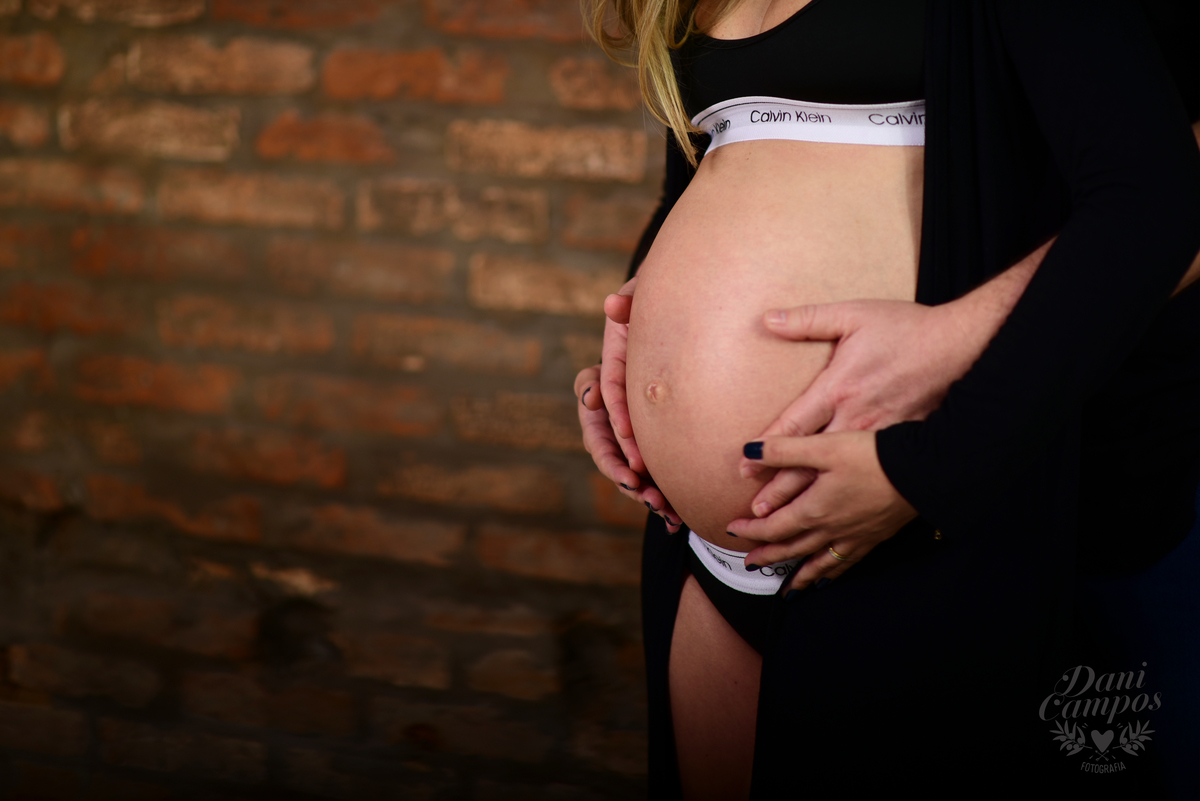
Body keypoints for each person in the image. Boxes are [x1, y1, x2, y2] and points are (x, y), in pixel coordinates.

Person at [574, 0, 1200, 796]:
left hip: (900, 509)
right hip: (704, 551)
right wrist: (637, 338)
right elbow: (706, 173)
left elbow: (1150, 201)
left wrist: (923, 470)